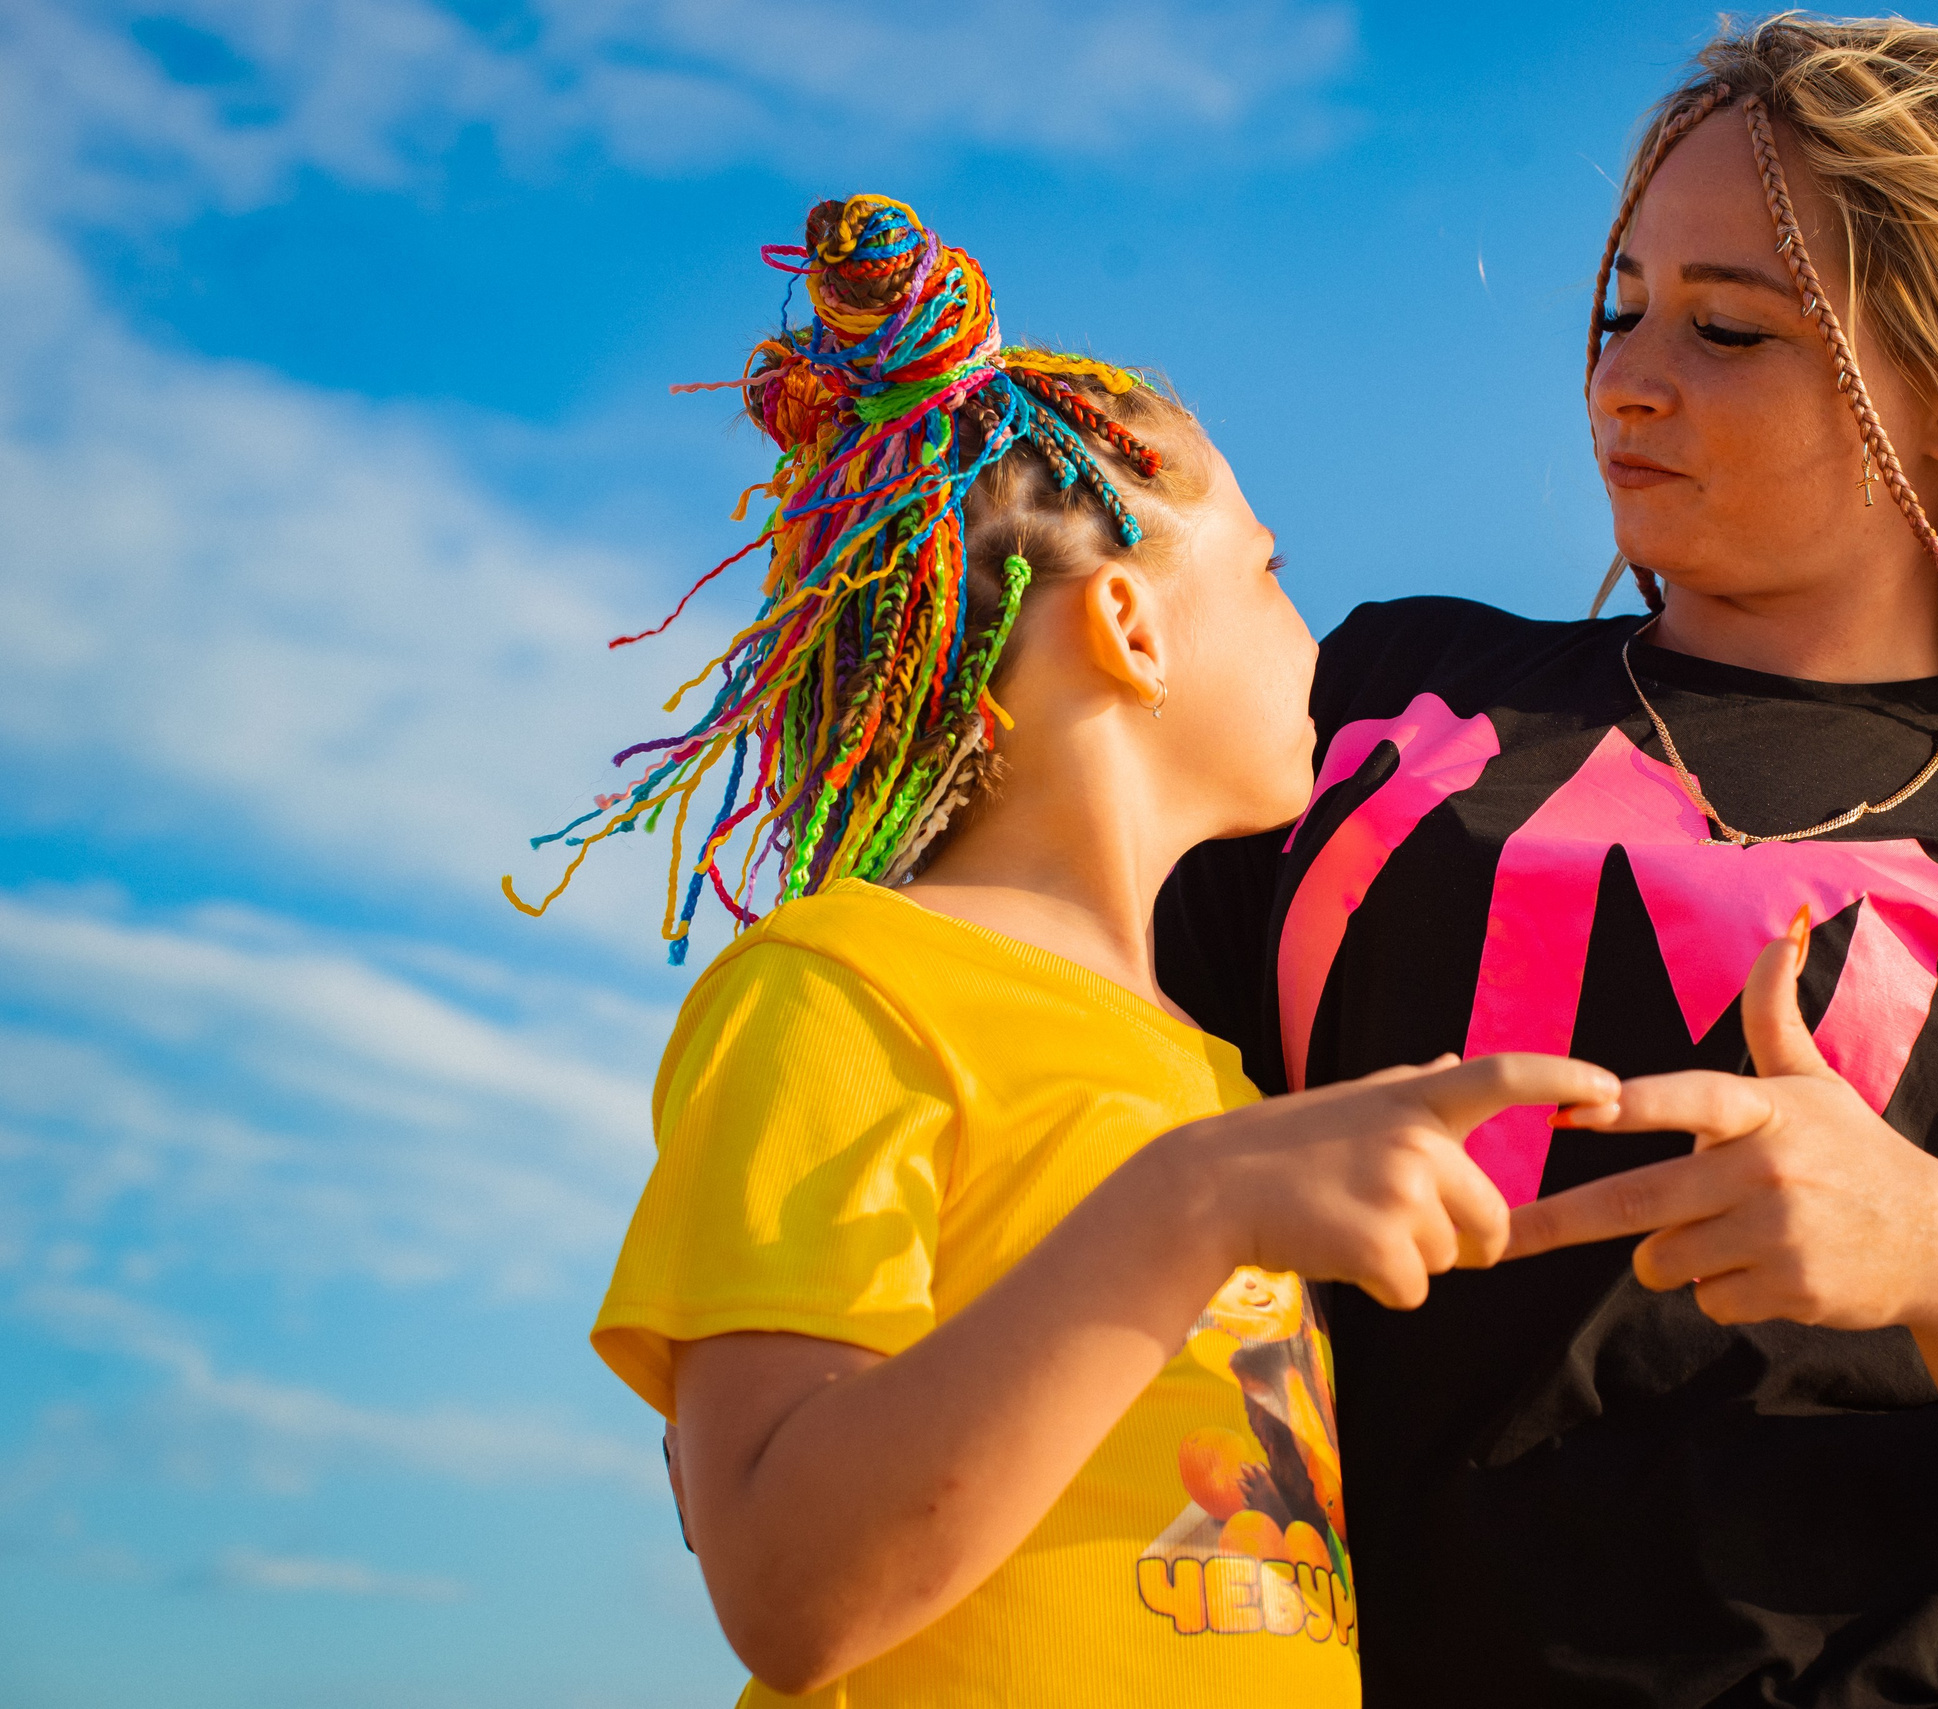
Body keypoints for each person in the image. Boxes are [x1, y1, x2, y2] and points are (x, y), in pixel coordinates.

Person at [1156, 18, 1938, 1708]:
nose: (1627, 375)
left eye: (1727, 328)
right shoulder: (1384, 690)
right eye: (1622, 303)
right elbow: (1063, 1002)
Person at [512, 197, 1618, 1705]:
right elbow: (780, 1582)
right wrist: (1191, 1204)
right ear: (1131, 629)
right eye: (1271, 572)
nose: (1319, 637)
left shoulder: (1219, 1070)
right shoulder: (842, 989)